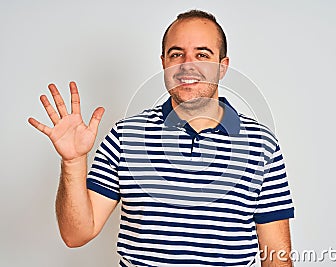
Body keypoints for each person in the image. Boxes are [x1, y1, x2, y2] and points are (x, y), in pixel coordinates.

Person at [29, 9, 294, 267]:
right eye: (176, 54)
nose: (187, 64)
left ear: (222, 67)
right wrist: (74, 162)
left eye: (202, 54)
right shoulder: (125, 136)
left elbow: (276, 257)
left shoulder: (261, 145)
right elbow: (76, 235)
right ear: (164, 63)